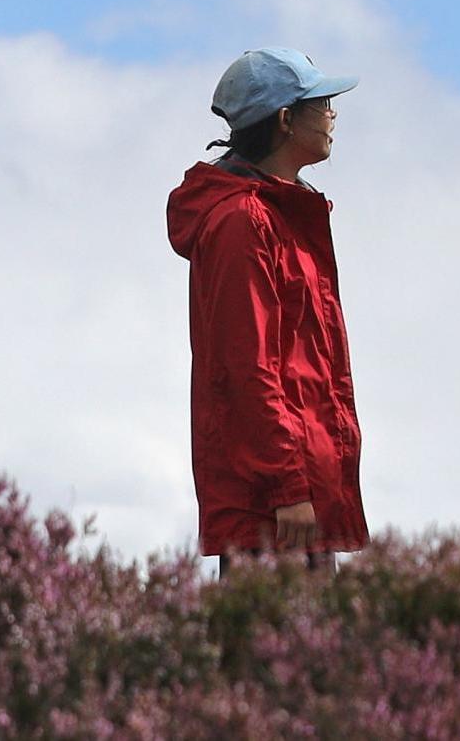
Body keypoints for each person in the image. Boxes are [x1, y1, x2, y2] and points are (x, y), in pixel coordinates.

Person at [166, 47, 368, 568]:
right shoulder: (242, 221)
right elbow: (249, 367)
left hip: (299, 501)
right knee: (279, 648)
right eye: (321, 102)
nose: (333, 115)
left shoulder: (284, 212)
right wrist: (288, 488)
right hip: (274, 510)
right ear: (285, 119)